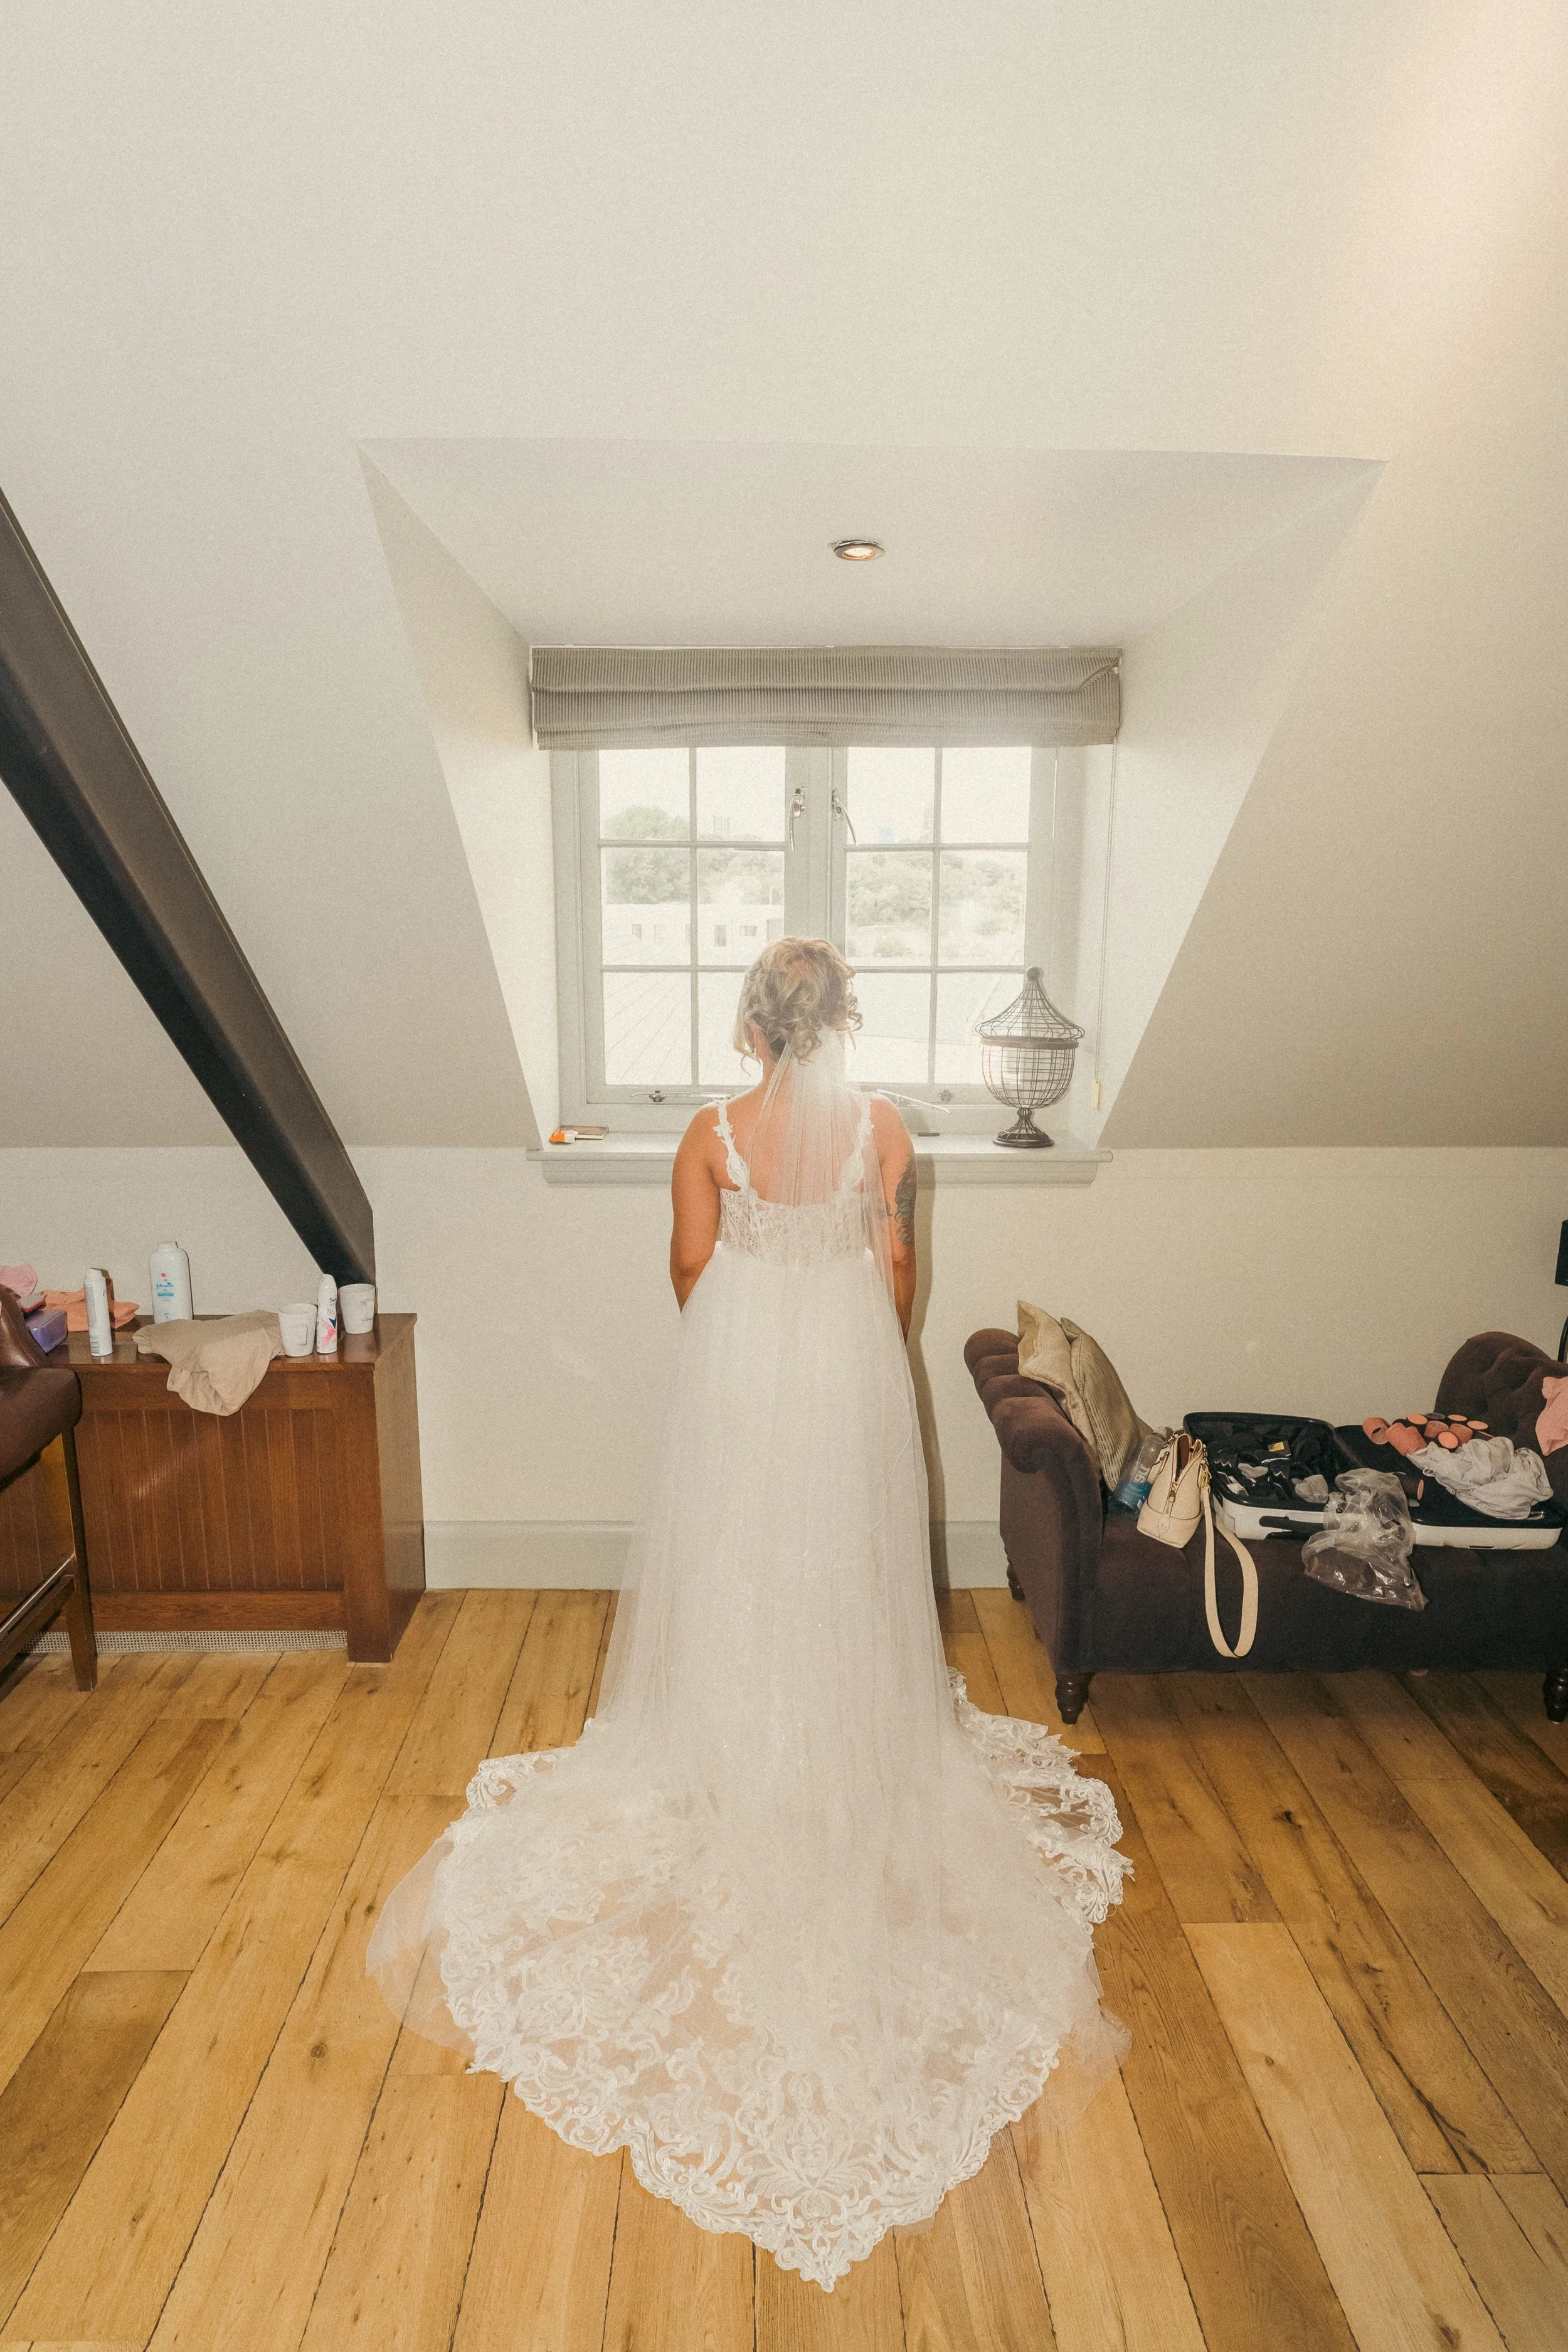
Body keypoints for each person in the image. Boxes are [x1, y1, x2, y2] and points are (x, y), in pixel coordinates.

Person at [368, 938, 1127, 2291]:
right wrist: (846, 1342)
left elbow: (686, 1271)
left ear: (746, 1026)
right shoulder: (885, 1129)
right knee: (839, 1559)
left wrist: (748, 1337)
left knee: (735, 1562)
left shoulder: (711, 1133)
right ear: (836, 1019)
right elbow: (896, 1278)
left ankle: (726, 1749)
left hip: (739, 1366)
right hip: (842, 1363)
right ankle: (835, 1750)